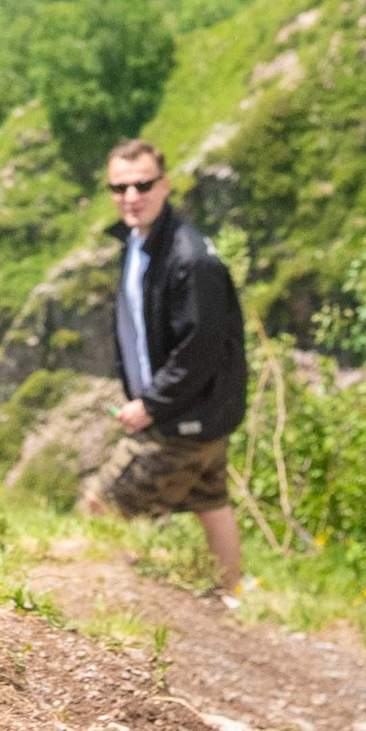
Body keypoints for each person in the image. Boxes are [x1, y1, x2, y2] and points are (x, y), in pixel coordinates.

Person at [97, 138, 247, 599]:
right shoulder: (139, 242)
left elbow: (202, 345)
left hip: (181, 416)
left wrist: (152, 404)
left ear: (164, 186)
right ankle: (232, 601)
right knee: (211, 503)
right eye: (120, 188)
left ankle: (115, 609)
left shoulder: (189, 258)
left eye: (142, 185)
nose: (131, 197)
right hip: (196, 410)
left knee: (101, 508)